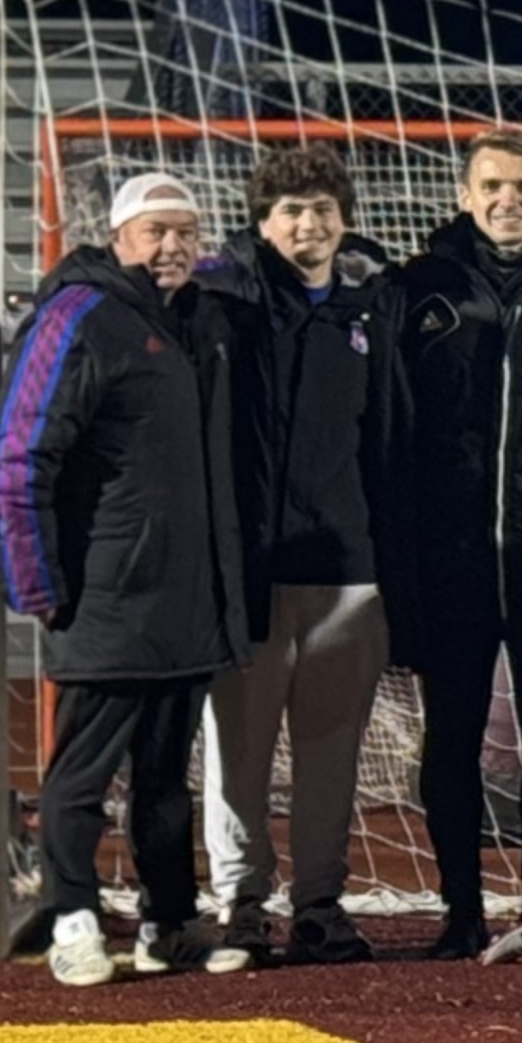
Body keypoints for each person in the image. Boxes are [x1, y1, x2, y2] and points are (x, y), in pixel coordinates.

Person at [0, 170, 251, 986]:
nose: (172, 246)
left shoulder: (194, 319)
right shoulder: (78, 316)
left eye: (185, 231)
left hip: (185, 598)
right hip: (103, 595)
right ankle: (72, 917)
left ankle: (167, 921)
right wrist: (33, 582)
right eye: (154, 232)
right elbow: (19, 457)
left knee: (167, 780)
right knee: (80, 776)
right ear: (118, 238)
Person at [383, 129, 522, 957]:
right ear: (464, 194)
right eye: (492, 186)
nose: (508, 200)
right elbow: (393, 421)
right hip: (452, 553)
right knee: (453, 737)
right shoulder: (422, 285)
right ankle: (459, 911)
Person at [197, 140, 399, 965]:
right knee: (237, 755)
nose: (307, 224)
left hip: (348, 572)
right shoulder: (228, 305)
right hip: (251, 574)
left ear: (345, 220)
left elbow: (389, 437)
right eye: (289, 211)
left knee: (329, 753)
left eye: (321, 209)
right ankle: (241, 903)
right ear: (261, 223)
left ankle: (320, 901)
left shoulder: (369, 311)